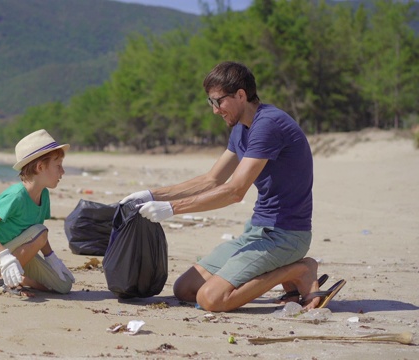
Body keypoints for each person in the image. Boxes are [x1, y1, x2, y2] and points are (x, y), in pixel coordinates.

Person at [121, 61, 345, 312]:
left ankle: (299, 270)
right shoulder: (241, 129)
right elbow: (212, 179)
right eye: (211, 102)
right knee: (184, 289)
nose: (215, 110)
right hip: (256, 231)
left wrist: (172, 208)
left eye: (218, 101)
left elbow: (235, 190)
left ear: (241, 95)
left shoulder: (268, 124)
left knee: (211, 300)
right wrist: (150, 195)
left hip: (287, 235)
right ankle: (287, 275)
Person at [0, 129, 75, 295]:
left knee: (64, 285)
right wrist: (4, 258)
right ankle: (2, 277)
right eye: (58, 166)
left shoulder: (43, 194)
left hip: (21, 253)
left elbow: (36, 234)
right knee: (41, 231)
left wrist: (52, 259)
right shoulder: (16, 195)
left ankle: (20, 279)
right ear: (40, 167)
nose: (62, 172)